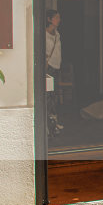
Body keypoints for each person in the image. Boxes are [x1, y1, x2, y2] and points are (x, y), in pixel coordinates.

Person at [46, 9, 62, 138]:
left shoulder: (57, 33)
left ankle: (54, 122)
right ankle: (49, 123)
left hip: (56, 67)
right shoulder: (44, 34)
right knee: (49, 96)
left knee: (55, 94)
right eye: (56, 17)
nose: (59, 20)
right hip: (48, 67)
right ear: (49, 19)